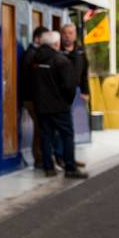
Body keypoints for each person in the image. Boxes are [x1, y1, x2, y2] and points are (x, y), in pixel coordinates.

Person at [31, 31, 87, 179]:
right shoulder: (61, 60)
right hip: (59, 107)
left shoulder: (34, 59)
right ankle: (70, 167)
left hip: (41, 106)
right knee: (67, 135)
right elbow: (69, 86)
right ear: (56, 44)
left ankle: (48, 168)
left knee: (45, 136)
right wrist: (67, 102)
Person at [59, 23, 91, 170]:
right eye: (65, 33)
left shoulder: (80, 52)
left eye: (70, 33)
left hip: (77, 94)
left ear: (75, 35)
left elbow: (85, 73)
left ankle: (70, 157)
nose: (68, 36)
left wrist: (85, 91)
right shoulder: (57, 51)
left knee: (73, 128)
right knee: (63, 128)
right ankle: (61, 158)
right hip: (60, 95)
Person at [18, 26, 48, 168]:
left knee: (40, 127)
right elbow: (29, 79)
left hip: (35, 98)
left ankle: (41, 156)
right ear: (37, 38)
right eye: (45, 38)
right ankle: (39, 158)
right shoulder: (31, 55)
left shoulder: (34, 53)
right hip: (32, 98)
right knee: (40, 127)